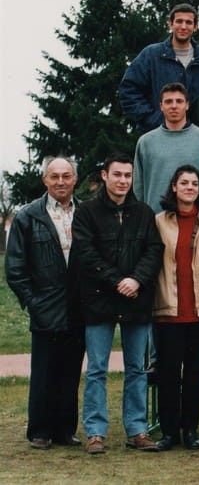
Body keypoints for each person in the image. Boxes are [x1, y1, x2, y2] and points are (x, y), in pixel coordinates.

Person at [71, 152, 164, 454]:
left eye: (127, 175)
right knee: (97, 368)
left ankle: (137, 430)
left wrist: (136, 280)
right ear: (104, 176)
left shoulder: (144, 213)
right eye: (117, 175)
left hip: (136, 300)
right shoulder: (86, 212)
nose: (123, 181)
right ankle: (95, 433)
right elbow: (85, 254)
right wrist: (117, 281)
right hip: (99, 301)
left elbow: (154, 250)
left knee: (136, 368)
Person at [5, 156, 86, 450]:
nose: (60, 181)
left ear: (74, 179)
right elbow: (15, 268)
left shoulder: (86, 213)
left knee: (70, 373)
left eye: (66, 176)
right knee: (44, 373)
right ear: (45, 180)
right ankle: (40, 431)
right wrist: (33, 302)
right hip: (45, 307)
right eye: (54, 176)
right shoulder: (28, 216)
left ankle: (65, 431)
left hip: (78, 308)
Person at [152, 165, 199, 451]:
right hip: (168, 310)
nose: (189, 188)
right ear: (174, 186)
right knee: (168, 373)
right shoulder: (159, 222)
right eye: (184, 183)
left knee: (195, 373)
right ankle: (169, 432)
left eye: (194, 183)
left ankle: (191, 429)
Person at [133, 82, 199, 214]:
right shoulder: (146, 142)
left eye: (179, 101)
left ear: (187, 105)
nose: (174, 106)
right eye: (168, 102)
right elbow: (138, 188)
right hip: (155, 219)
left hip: (196, 220)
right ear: (161, 106)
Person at [120, 3, 199, 130]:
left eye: (188, 22)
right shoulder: (151, 55)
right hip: (158, 134)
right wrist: (153, 120)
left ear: (195, 27)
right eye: (179, 21)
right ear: (170, 24)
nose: (183, 26)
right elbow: (128, 90)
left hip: (195, 135)